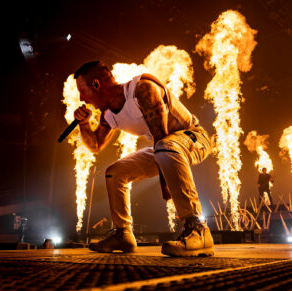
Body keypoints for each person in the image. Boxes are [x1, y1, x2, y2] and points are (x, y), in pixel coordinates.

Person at [72, 61, 213, 256]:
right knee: (115, 173)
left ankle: (198, 229)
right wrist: (84, 124)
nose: (82, 99)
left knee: (164, 147)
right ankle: (123, 234)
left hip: (194, 138)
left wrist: (166, 186)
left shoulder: (142, 89)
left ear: (96, 85)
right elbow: (95, 145)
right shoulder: (109, 114)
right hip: (164, 149)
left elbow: (161, 136)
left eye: (82, 90)